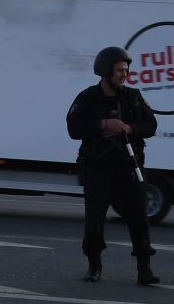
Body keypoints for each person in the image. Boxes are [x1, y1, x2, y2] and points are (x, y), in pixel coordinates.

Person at [65, 46, 159, 284]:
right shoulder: (87, 98)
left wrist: (129, 128)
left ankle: (144, 269)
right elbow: (73, 129)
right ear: (105, 71)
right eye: (119, 70)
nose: (124, 75)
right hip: (98, 168)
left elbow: (151, 125)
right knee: (94, 220)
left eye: (126, 70)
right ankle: (94, 266)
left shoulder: (133, 97)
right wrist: (103, 124)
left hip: (129, 167)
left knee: (139, 218)